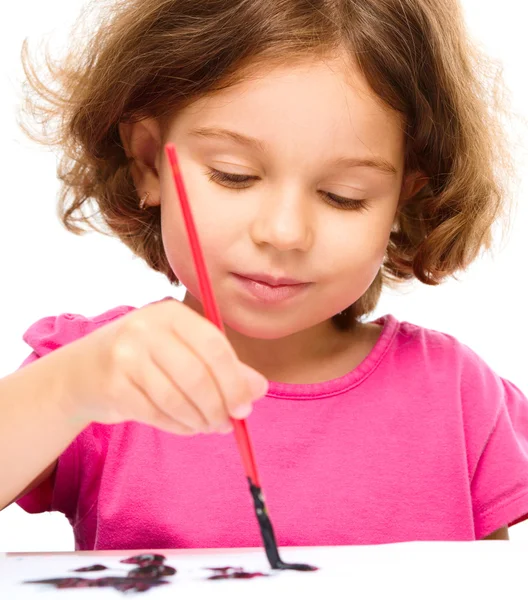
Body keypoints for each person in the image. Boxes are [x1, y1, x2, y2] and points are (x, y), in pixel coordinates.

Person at [1, 0, 526, 550]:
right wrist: (71, 389)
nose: (283, 232)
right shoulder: (101, 373)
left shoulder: (457, 398)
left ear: (403, 199)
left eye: (342, 197)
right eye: (234, 176)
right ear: (149, 163)